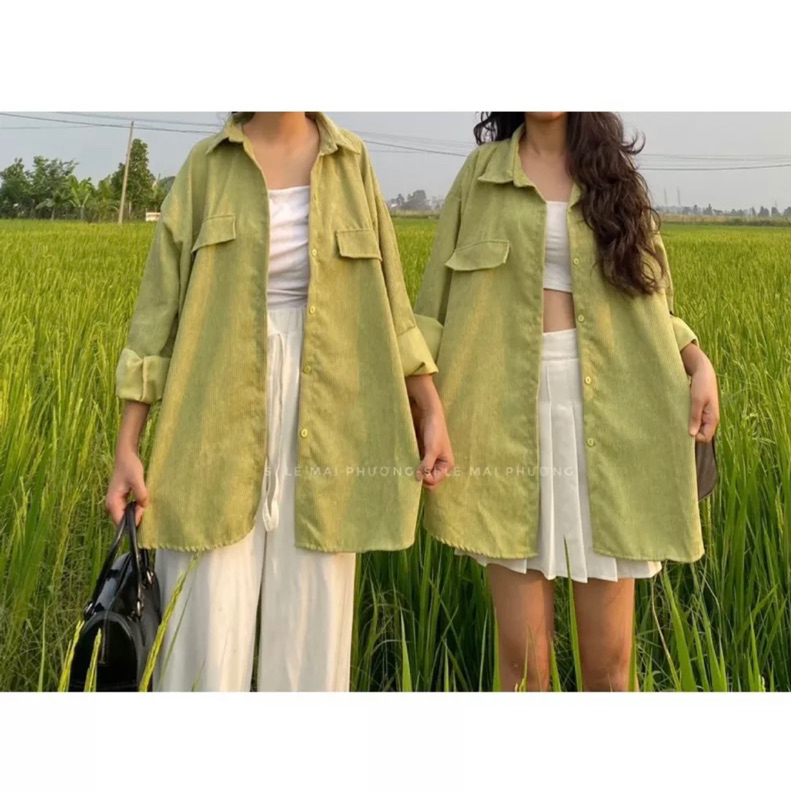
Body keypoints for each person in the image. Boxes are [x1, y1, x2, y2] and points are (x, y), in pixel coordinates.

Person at [105, 111, 453, 692]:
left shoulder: (352, 164)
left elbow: (392, 306)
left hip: (331, 419)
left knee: (311, 640)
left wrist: (430, 408)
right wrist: (127, 446)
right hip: (210, 418)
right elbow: (156, 316)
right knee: (201, 638)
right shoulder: (207, 168)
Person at [414, 112, 720, 691]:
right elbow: (434, 305)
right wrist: (424, 400)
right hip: (504, 416)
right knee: (523, 667)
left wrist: (698, 362)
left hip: (609, 417)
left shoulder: (615, 179)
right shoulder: (482, 176)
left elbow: (655, 302)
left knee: (611, 668)